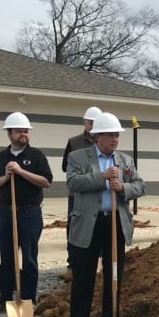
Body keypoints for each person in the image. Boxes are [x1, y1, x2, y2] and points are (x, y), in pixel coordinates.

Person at [64, 113, 146, 317]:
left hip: (115, 222)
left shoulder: (125, 160)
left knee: (114, 273)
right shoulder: (77, 157)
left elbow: (141, 186)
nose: (114, 139)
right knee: (84, 275)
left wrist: (123, 188)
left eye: (117, 135)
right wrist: (102, 177)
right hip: (89, 222)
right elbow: (73, 183)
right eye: (110, 134)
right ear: (97, 136)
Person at [0, 112, 53, 314]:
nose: (24, 134)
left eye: (26, 131)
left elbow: (46, 182)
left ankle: (28, 298)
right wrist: (6, 176)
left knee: (29, 258)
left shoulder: (36, 155)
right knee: (7, 258)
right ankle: (4, 298)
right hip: (5, 213)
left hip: (29, 214)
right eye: (20, 131)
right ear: (10, 134)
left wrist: (21, 171)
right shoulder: (2, 158)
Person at [61, 106, 103, 276]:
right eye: (89, 122)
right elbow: (66, 166)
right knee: (74, 226)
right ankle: (72, 264)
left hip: (97, 193)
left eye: (95, 122)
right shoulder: (74, 142)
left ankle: (99, 261)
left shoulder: (104, 141)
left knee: (98, 225)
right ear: (84, 122)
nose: (92, 125)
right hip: (77, 194)